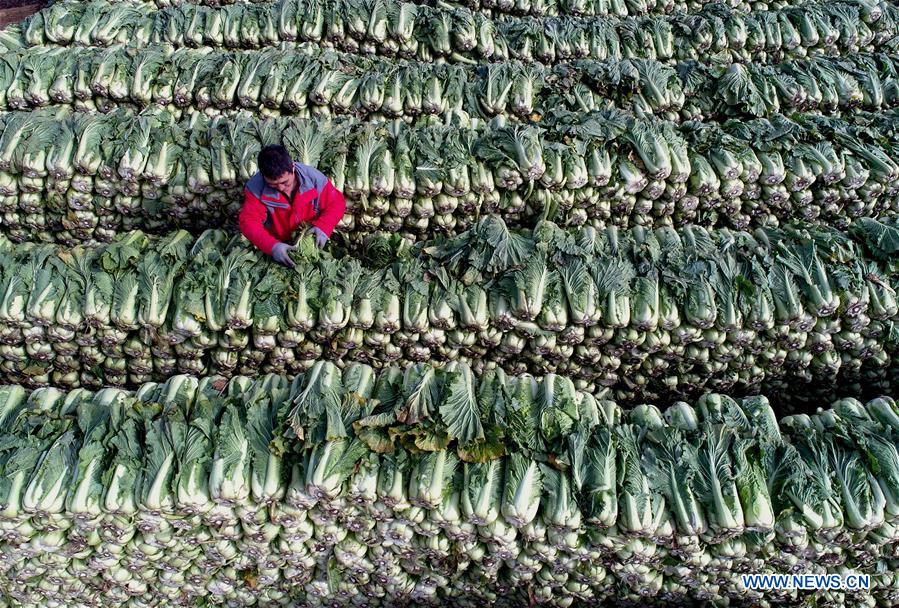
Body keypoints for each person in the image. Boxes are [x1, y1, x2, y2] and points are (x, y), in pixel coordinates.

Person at [239, 145, 347, 268]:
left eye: (285, 182)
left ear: (293, 168)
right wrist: (272, 246)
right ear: (263, 175)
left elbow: (337, 202)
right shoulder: (255, 188)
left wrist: (324, 226)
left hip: (311, 241)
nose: (280, 188)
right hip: (278, 244)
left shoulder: (314, 178)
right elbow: (248, 222)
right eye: (272, 185)